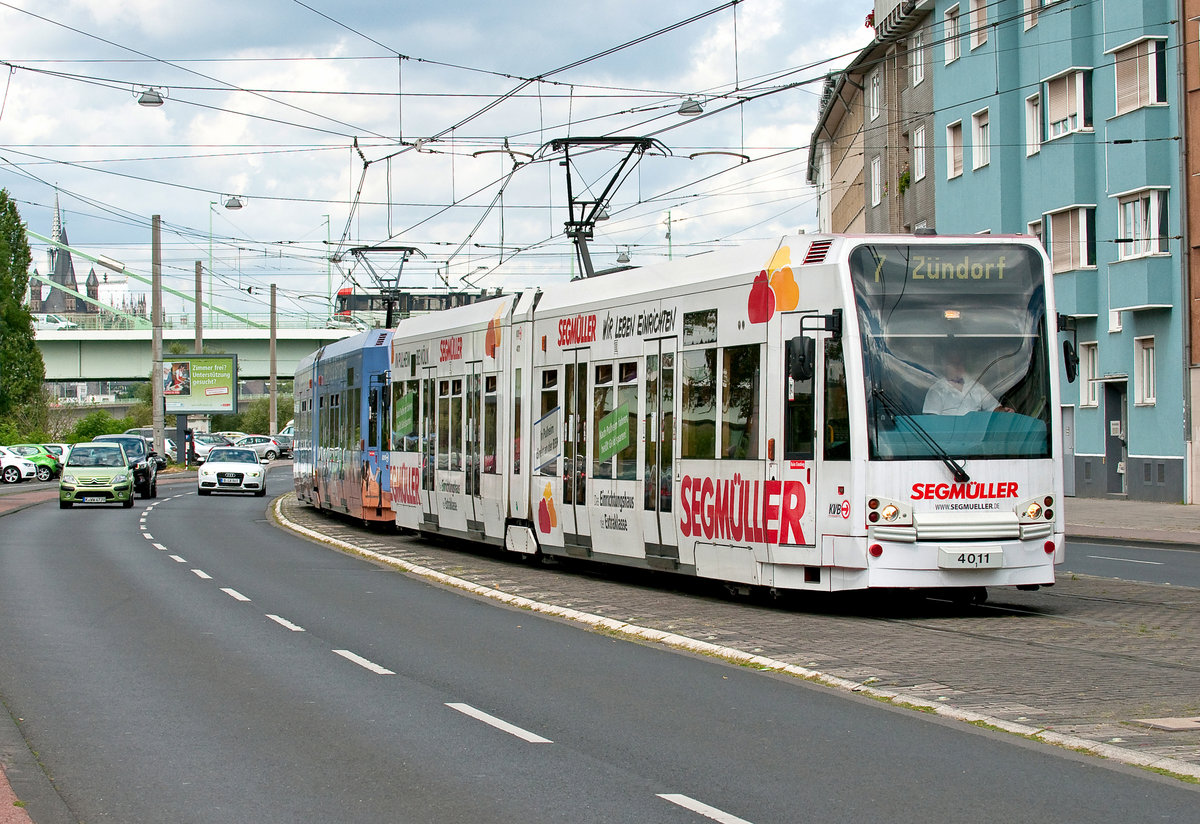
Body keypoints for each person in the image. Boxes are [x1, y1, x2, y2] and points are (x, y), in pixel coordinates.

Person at [923, 351, 1011, 415]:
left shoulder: (976, 387)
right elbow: (932, 421)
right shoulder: (937, 389)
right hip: (949, 439)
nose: (958, 368)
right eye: (954, 364)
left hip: (976, 437)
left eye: (960, 364)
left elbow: (994, 408)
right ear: (945, 367)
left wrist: (1005, 412)